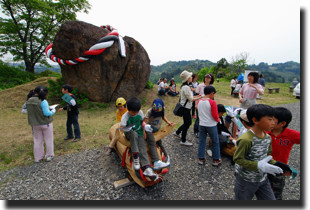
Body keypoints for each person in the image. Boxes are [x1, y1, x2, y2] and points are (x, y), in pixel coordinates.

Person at [233, 104, 291, 200]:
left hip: (263, 179)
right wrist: (258, 166)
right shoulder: (246, 139)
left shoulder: (267, 137)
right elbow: (237, 159)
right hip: (246, 180)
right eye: (270, 119)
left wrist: (276, 164)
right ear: (255, 120)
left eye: (274, 119)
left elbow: (267, 155)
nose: (273, 122)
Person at [120, 97, 158, 179]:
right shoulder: (125, 116)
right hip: (130, 133)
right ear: (128, 109)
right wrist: (122, 132)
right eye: (133, 112)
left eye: (137, 112)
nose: (135, 113)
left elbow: (142, 122)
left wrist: (144, 132)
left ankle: (147, 167)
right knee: (133, 134)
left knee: (142, 146)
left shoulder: (139, 113)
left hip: (139, 132)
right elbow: (122, 128)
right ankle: (136, 157)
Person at [266, 107, 300, 200]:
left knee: (276, 193)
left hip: (279, 169)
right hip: (264, 166)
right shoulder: (265, 131)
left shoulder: (291, 134)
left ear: (283, 123)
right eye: (269, 119)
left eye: (273, 120)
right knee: (263, 191)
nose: (270, 122)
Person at [26, 86, 56, 162]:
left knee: (37, 140)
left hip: (35, 124)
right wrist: (53, 111)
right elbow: (46, 113)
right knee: (48, 139)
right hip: (45, 123)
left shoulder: (28, 100)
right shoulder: (43, 101)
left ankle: (38, 157)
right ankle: (49, 155)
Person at [144, 98, 173, 169]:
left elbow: (163, 116)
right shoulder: (150, 111)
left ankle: (166, 156)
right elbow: (144, 123)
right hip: (149, 129)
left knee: (159, 143)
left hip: (156, 130)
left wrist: (168, 122)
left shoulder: (162, 109)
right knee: (152, 143)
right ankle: (155, 161)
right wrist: (144, 133)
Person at [174, 70, 202, 146]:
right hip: (186, 108)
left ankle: (177, 132)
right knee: (188, 123)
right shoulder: (186, 87)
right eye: (190, 76)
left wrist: (199, 96)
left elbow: (191, 97)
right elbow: (191, 99)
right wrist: (201, 97)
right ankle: (183, 140)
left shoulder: (186, 86)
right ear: (187, 79)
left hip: (186, 107)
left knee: (187, 122)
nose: (191, 77)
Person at [196, 86, 221, 166]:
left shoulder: (199, 101)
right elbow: (215, 115)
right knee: (215, 141)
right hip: (211, 125)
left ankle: (201, 158)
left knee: (202, 141)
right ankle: (216, 159)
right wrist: (218, 120)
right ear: (211, 93)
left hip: (202, 124)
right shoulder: (212, 102)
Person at [193, 73, 215, 138]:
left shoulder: (212, 87)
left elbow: (213, 97)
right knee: (198, 118)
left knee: (206, 117)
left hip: (208, 104)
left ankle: (205, 131)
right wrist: (196, 104)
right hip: (200, 104)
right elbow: (196, 95)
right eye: (206, 77)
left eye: (208, 78)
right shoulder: (200, 86)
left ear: (211, 79)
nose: (207, 79)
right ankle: (196, 131)